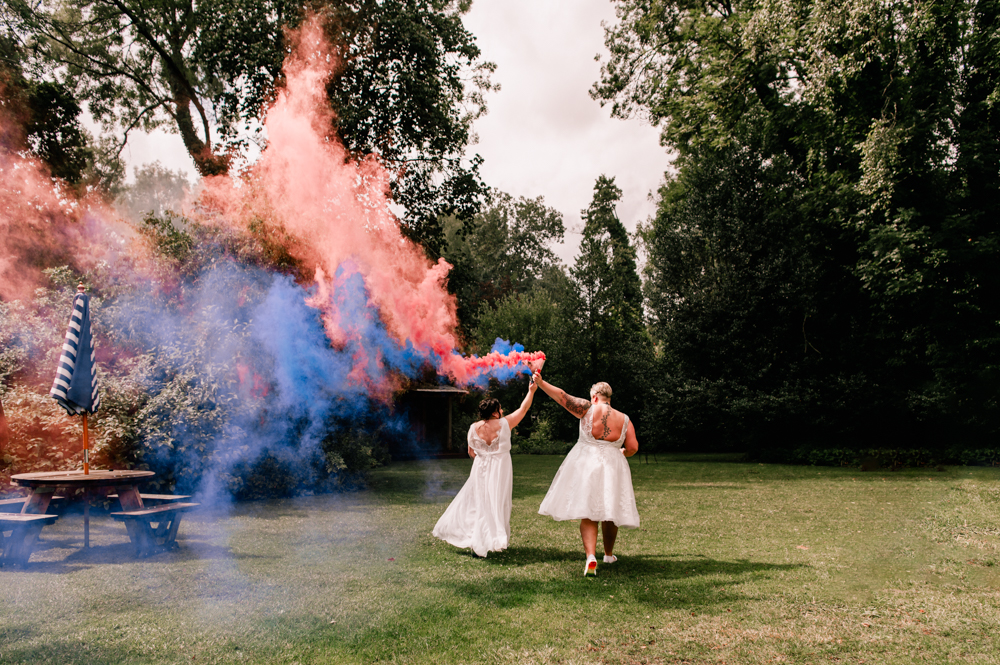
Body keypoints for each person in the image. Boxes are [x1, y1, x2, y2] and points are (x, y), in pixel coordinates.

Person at [534, 373, 639, 576]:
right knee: (610, 511)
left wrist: (540, 382)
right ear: (609, 397)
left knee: (589, 512)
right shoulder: (624, 419)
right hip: (613, 467)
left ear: (595, 397)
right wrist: (624, 452)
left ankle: (591, 556)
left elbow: (562, 396)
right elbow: (633, 446)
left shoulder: (587, 409)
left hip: (587, 464)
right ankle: (608, 554)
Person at [432, 379, 538, 557]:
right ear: (495, 412)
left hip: (480, 468)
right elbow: (524, 409)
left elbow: (470, 452)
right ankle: (490, 540)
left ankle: (480, 540)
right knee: (497, 502)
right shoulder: (505, 423)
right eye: (501, 409)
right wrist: (532, 391)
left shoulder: (473, 428)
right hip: (500, 468)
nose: (502, 411)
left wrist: (484, 457)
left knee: (479, 503)